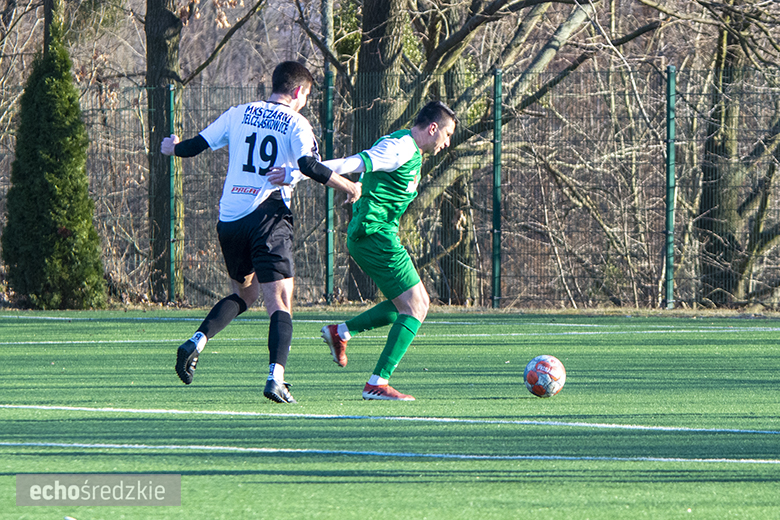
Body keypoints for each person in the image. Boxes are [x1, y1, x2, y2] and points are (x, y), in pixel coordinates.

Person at [161, 61, 360, 404]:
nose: (305, 102)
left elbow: (195, 146)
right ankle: (276, 379)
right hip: (267, 215)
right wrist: (348, 187)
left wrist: (172, 147)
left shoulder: (239, 112)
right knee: (280, 301)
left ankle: (196, 341)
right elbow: (309, 166)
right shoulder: (297, 122)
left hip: (230, 219)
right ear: (298, 91)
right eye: (307, 96)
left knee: (247, 294)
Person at [316, 100, 457, 401]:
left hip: (376, 233)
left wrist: (363, 192)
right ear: (433, 129)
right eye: (447, 136)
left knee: (403, 305)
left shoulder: (410, 150)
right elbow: (350, 163)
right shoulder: (401, 148)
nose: (447, 144)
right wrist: (298, 171)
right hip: (374, 235)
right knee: (417, 305)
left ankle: (341, 333)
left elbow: (371, 175)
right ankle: (376, 383)